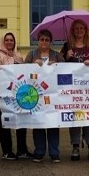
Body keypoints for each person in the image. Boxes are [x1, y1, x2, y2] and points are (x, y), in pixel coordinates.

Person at [61, 19, 89, 161]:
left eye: (82, 28)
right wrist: (67, 56)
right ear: (73, 30)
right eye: (76, 28)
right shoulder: (67, 46)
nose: (79, 31)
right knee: (75, 116)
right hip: (73, 89)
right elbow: (60, 66)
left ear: (86, 30)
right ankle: (75, 145)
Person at [25, 30, 60, 162]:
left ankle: (54, 152)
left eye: (46, 39)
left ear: (50, 42)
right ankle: (39, 151)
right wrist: (32, 65)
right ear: (38, 41)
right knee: (38, 123)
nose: (44, 42)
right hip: (36, 95)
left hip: (53, 95)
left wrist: (57, 65)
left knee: (53, 123)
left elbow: (65, 69)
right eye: (41, 39)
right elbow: (22, 71)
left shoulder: (56, 55)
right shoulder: (32, 54)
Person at [0, 32, 30, 160]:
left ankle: (22, 149)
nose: (9, 42)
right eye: (7, 40)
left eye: (11, 40)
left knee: (21, 121)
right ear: (3, 42)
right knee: (4, 123)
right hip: (3, 95)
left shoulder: (19, 56)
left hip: (18, 96)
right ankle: (7, 150)